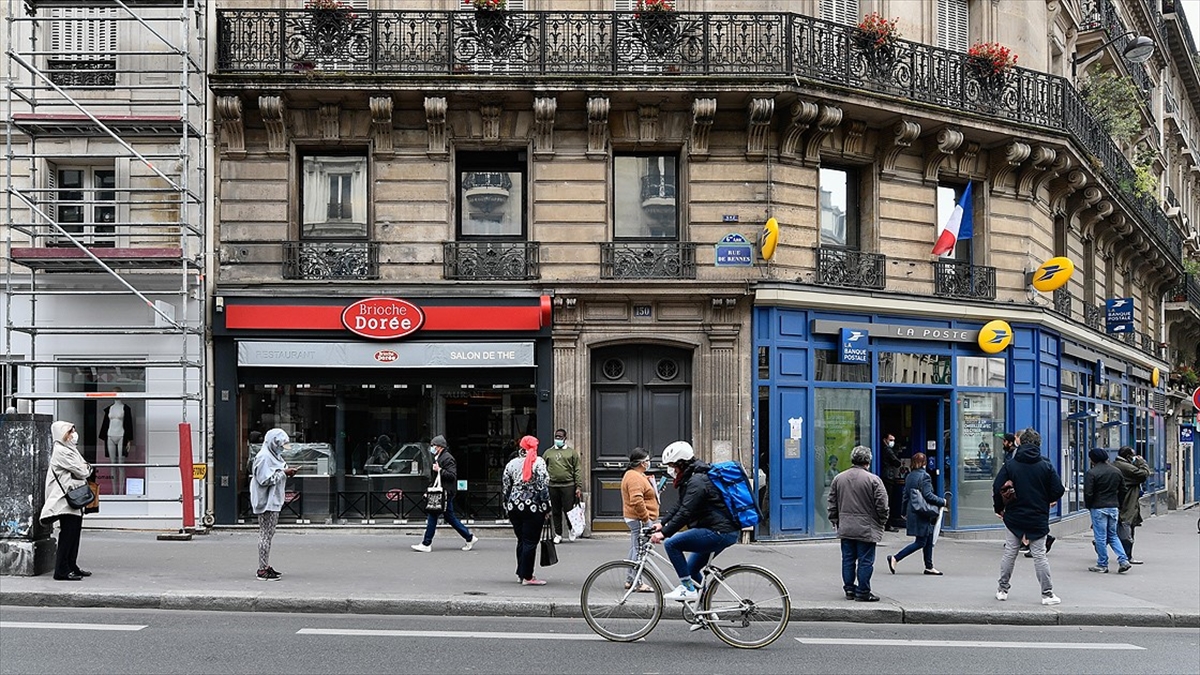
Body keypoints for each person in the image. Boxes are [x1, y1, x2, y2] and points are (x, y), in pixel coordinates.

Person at [649, 441, 740, 601]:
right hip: (720, 529)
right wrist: (663, 523)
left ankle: (687, 588)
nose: (672, 470)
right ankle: (706, 609)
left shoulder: (697, 481)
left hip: (719, 531)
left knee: (672, 544)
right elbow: (681, 505)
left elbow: (685, 512)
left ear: (681, 463)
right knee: (691, 569)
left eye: (673, 465)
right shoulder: (691, 478)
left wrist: (664, 534)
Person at [992, 427, 1064, 605]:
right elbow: (1058, 489)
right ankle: (1047, 594)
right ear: (1039, 444)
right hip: (1038, 515)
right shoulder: (1045, 464)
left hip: (1014, 514)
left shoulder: (1011, 464)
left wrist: (999, 508)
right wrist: (1047, 499)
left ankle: (1002, 590)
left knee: (1010, 552)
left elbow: (996, 486)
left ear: (1020, 442)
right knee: (1039, 555)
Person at [828, 445, 889, 602]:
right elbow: (882, 505)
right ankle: (863, 591)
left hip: (846, 526)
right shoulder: (873, 480)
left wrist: (835, 519)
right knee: (865, 560)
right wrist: (882, 521)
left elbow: (832, 502)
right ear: (868, 461)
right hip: (866, 528)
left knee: (848, 559)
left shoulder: (839, 478)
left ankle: (849, 589)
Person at [40, 420, 94, 581]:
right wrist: (85, 469)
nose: (73, 435)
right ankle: (61, 570)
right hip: (65, 500)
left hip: (73, 497)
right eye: (70, 432)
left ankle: (71, 566)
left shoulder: (70, 449)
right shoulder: (61, 451)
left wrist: (84, 468)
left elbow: (83, 468)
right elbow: (83, 471)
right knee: (68, 534)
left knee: (74, 534)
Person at [412, 435, 478, 553]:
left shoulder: (447, 458)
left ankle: (426, 543)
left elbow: (452, 476)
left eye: (433, 446)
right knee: (450, 517)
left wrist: (440, 470)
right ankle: (469, 537)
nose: (432, 448)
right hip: (443, 492)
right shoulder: (441, 457)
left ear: (439, 447)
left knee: (433, 515)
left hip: (444, 493)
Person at [887, 451, 947, 576]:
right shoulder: (925, 476)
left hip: (913, 511)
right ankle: (896, 558)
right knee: (920, 542)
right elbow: (928, 495)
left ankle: (929, 566)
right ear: (924, 463)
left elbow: (905, 496)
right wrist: (942, 501)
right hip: (923, 512)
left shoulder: (909, 476)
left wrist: (903, 512)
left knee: (929, 539)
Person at [501, 435, 551, 586]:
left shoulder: (511, 463)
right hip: (533, 506)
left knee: (521, 540)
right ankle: (528, 576)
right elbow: (542, 487)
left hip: (514, 506)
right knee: (530, 541)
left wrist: (507, 504)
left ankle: (520, 572)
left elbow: (505, 486)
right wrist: (547, 507)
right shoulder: (539, 462)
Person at [251, 428, 298, 581]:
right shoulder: (264, 457)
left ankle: (264, 565)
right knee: (266, 535)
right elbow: (264, 480)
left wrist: (285, 472)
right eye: (280, 445)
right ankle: (262, 569)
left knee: (268, 535)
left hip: (272, 500)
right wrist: (284, 473)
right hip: (267, 502)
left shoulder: (271, 455)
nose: (281, 449)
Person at [1084, 448, 1131, 574]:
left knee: (1100, 537)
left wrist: (1089, 506)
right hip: (1113, 506)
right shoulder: (1116, 471)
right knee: (1113, 535)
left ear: (1093, 459)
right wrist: (1118, 504)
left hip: (1098, 507)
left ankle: (1102, 563)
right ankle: (1123, 560)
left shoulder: (1092, 473)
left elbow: (1088, 493)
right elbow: (1123, 489)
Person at [620, 447, 659, 592]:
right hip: (638, 518)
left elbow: (642, 495)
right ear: (642, 463)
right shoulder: (634, 477)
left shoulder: (635, 475)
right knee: (639, 551)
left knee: (635, 547)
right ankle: (637, 582)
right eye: (647, 460)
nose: (649, 463)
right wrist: (646, 519)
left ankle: (630, 579)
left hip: (634, 518)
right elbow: (636, 500)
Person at [543, 427, 582, 543]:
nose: (558, 439)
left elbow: (577, 469)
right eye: (556, 437)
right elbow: (543, 468)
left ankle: (571, 529)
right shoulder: (548, 453)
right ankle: (558, 534)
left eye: (560, 437)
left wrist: (578, 486)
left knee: (569, 510)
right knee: (555, 510)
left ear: (565, 438)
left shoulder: (571, 453)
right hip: (553, 485)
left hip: (568, 485)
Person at [1113, 446, 1150, 564]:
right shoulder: (1126, 467)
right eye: (1133, 456)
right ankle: (1126, 556)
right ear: (1128, 457)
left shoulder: (1117, 464)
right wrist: (1142, 463)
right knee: (1126, 529)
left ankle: (1103, 544)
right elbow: (1144, 474)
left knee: (1118, 528)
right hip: (1127, 502)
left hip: (1124, 501)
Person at [98, 387, 134, 495]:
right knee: (112, 464)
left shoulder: (125, 408)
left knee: (121, 465)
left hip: (121, 435)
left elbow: (129, 424)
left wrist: (129, 440)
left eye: (116, 393)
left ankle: (121, 491)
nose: (114, 394)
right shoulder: (109, 408)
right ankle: (114, 492)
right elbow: (106, 423)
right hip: (110, 435)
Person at [880, 433, 904, 531]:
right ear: (885, 440)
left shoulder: (886, 450)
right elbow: (896, 462)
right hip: (888, 477)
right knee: (888, 501)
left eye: (893, 440)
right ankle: (888, 524)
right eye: (890, 440)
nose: (892, 442)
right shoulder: (888, 450)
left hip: (887, 475)